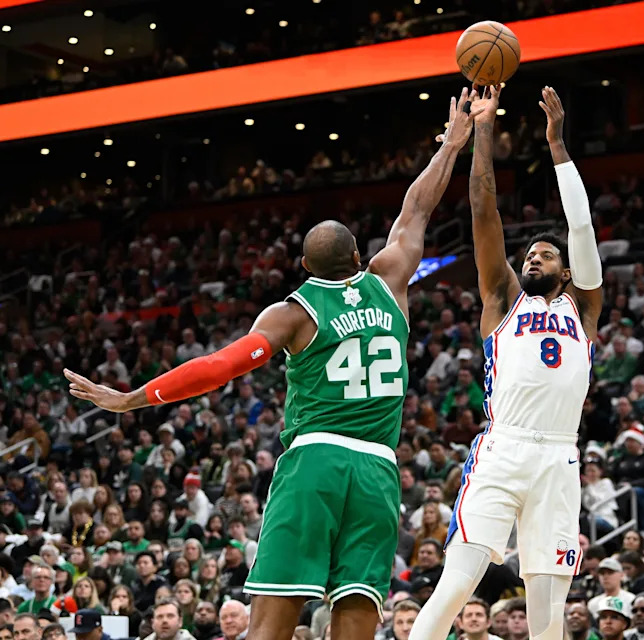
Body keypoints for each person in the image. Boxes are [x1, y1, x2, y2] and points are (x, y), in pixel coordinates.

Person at [64, 87, 480, 640]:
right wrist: (452, 144)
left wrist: (130, 398)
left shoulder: (291, 314)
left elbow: (217, 367)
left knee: (272, 623)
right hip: (379, 469)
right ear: (360, 257)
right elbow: (417, 209)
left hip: (314, 463)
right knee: (357, 615)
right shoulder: (391, 279)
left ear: (304, 265)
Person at [409, 86, 603, 640]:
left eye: (545, 255)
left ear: (567, 271)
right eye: (529, 255)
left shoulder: (584, 308)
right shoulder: (503, 297)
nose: (533, 258)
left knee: (548, 611)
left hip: (559, 457)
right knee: (456, 585)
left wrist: (557, 147)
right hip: (504, 448)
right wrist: (484, 129)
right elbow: (483, 208)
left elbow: (582, 228)